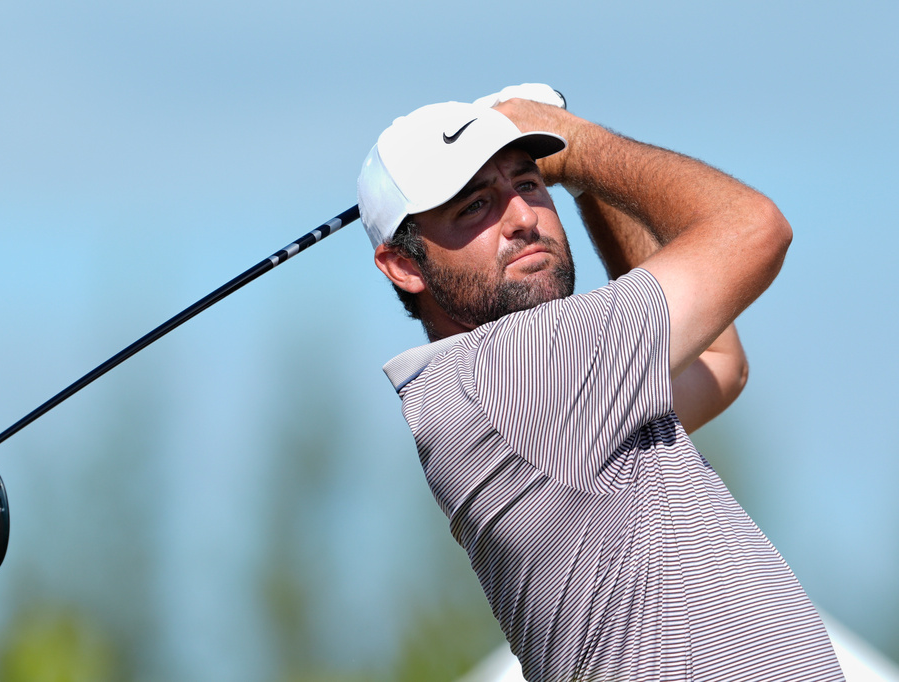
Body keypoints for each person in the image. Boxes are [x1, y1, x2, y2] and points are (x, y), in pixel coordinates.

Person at [356, 85, 844, 681]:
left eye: (530, 183)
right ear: (404, 265)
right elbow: (756, 227)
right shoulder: (514, 369)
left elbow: (719, 364)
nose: (522, 218)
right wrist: (581, 148)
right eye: (473, 206)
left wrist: (587, 186)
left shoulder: (551, 387)